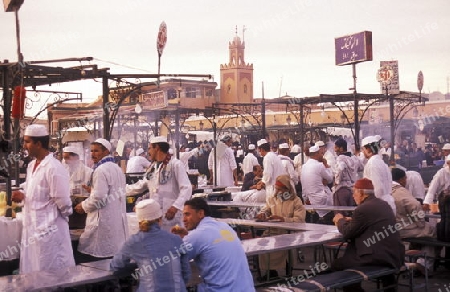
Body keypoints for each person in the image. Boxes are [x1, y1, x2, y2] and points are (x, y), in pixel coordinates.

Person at [12, 124, 75, 274]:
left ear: (38, 144)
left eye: (27, 142)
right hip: (33, 228)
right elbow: (30, 187)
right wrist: (22, 194)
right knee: (33, 268)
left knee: (52, 272)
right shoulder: (32, 165)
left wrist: (56, 219)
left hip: (50, 230)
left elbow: (64, 203)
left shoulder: (54, 167)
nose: (24, 145)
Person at [332, 178, 404, 292]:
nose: (353, 196)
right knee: (385, 272)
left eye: (354, 192)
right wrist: (353, 220)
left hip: (376, 257)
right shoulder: (383, 204)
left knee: (338, 265)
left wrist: (340, 220)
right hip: (394, 254)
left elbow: (347, 233)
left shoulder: (362, 209)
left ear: (361, 193)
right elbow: (371, 222)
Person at [171, 198, 255, 292]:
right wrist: (187, 236)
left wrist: (172, 240)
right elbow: (209, 242)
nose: (183, 219)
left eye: (187, 214)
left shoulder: (198, 235)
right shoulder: (225, 227)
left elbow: (170, 258)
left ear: (200, 214)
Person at [110, 199, 190, 291]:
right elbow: (186, 274)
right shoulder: (176, 239)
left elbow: (115, 266)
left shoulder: (134, 241)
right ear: (160, 219)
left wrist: (138, 265)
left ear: (139, 220)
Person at [74, 138, 128, 262]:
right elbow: (108, 193)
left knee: (96, 255)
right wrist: (92, 191)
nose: (93, 154)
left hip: (102, 220)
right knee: (111, 254)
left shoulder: (100, 170)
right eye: (91, 151)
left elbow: (99, 198)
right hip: (114, 217)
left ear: (106, 152)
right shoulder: (116, 168)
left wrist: (83, 206)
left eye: (96, 151)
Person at [126, 136, 192, 231]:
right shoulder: (153, 168)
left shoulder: (175, 164)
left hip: (172, 216)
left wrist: (175, 207)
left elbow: (186, 188)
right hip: (156, 217)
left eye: (150, 148)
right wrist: (120, 190)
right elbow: (141, 186)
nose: (148, 152)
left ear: (157, 148)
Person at [255, 174, 306, 278]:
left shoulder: (296, 201)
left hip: (290, 232)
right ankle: (271, 271)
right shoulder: (273, 199)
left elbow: (300, 220)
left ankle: (286, 269)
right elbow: (266, 210)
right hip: (274, 230)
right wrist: (262, 214)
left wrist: (284, 219)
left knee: (283, 242)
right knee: (262, 242)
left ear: (287, 189)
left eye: (280, 190)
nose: (278, 192)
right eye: (276, 189)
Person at [391, 168, 435, 274]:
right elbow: (415, 206)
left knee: (424, 234)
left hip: (390, 229)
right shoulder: (400, 191)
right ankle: (424, 264)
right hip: (405, 229)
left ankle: (415, 260)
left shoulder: (384, 190)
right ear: (402, 179)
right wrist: (421, 223)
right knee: (433, 232)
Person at [360, 135, 396, 214]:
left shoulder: (373, 163)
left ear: (368, 149)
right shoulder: (382, 163)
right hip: (387, 204)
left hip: (379, 207)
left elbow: (378, 189)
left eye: (363, 149)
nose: (362, 152)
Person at [301, 145, 334, 224]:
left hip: (307, 198)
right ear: (316, 154)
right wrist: (326, 165)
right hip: (321, 199)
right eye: (320, 153)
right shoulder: (320, 165)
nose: (322, 155)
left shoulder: (304, 166)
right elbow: (330, 179)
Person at [332, 138, 357, 212]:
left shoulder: (340, 158)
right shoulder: (352, 158)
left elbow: (341, 168)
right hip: (351, 190)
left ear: (341, 148)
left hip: (341, 189)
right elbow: (361, 167)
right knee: (349, 213)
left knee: (340, 214)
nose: (335, 150)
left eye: (336, 147)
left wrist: (336, 182)